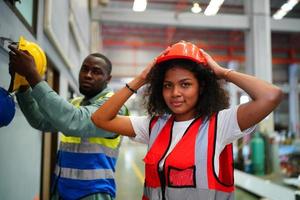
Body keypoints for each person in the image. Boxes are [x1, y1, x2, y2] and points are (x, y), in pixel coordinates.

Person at [91, 41, 283, 200]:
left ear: (201, 87)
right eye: (168, 85)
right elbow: (100, 118)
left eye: (185, 84)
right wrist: (140, 79)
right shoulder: (153, 125)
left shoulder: (220, 125)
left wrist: (223, 73)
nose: (175, 93)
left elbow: (271, 96)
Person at [8, 45, 128, 200]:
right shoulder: (76, 103)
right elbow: (40, 121)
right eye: (84, 69)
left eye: (96, 72)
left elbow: (74, 121)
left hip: (93, 193)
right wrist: (23, 86)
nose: (88, 75)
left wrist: (32, 75)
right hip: (61, 189)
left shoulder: (114, 106)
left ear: (108, 79)